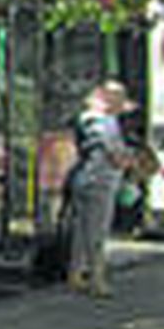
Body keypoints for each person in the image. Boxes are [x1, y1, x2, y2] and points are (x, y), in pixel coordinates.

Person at [67, 80, 136, 297]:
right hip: (100, 181)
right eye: (120, 98)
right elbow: (114, 155)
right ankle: (97, 281)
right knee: (97, 232)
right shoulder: (103, 122)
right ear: (109, 98)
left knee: (80, 232)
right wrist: (130, 162)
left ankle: (76, 275)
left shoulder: (88, 119)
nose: (123, 103)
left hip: (84, 178)